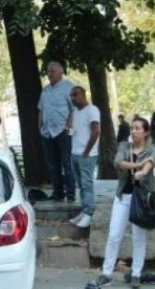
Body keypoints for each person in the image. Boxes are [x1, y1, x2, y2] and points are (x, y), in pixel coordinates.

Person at [97, 116, 155, 289]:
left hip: (141, 200)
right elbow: (118, 162)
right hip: (123, 197)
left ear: (146, 132)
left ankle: (137, 274)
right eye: (132, 128)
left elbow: (150, 163)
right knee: (114, 235)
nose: (134, 131)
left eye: (138, 128)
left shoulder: (153, 148)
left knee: (139, 238)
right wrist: (137, 165)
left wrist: (143, 171)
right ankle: (106, 273)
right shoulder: (124, 146)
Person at [38, 61, 75, 202]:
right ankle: (58, 193)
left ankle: (71, 194)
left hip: (62, 132)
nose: (49, 74)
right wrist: (40, 128)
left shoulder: (69, 87)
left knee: (67, 164)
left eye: (52, 71)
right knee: (53, 166)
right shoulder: (45, 90)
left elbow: (74, 109)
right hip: (48, 133)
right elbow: (41, 110)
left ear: (60, 72)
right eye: (48, 71)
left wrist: (68, 127)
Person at [68, 86, 100, 228]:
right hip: (75, 153)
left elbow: (96, 131)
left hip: (87, 154)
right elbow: (70, 130)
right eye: (71, 95)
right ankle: (83, 211)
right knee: (80, 185)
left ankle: (88, 214)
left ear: (83, 95)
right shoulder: (75, 111)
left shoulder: (92, 110)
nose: (72, 98)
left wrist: (87, 151)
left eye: (75, 95)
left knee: (87, 184)